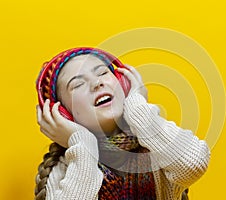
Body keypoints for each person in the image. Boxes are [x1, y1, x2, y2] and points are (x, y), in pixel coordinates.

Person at [34, 47, 210, 200]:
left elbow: (193, 164)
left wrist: (138, 110)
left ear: (124, 83)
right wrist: (82, 144)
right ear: (63, 114)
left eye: (102, 72)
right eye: (78, 84)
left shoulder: (157, 149)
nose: (97, 83)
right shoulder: (65, 169)